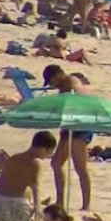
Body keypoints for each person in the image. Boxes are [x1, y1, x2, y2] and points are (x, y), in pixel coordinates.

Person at [0, 131, 57, 221]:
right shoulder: (36, 162)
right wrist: (37, 206)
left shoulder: (13, 159)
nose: (47, 157)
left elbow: (1, 181)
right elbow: (35, 184)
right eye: (48, 153)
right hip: (18, 204)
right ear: (45, 149)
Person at [42, 64, 92, 210]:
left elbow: (75, 100)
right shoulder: (65, 86)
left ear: (56, 76)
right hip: (69, 127)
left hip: (81, 126)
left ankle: (86, 205)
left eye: (51, 82)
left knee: (80, 167)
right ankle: (60, 201)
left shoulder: (70, 82)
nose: (52, 86)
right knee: (56, 163)